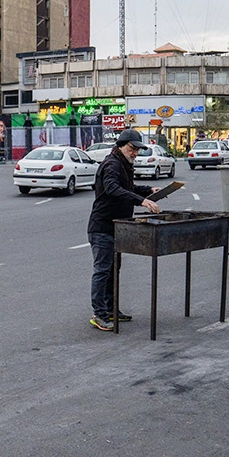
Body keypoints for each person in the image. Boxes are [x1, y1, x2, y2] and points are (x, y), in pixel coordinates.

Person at [86, 129, 161, 332]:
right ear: (121, 145)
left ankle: (110, 308)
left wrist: (148, 191)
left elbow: (128, 187)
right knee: (102, 270)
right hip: (102, 226)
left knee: (112, 270)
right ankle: (99, 314)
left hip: (117, 226)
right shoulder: (112, 164)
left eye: (137, 149)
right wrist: (142, 201)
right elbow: (113, 188)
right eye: (132, 148)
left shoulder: (123, 164)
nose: (135, 152)